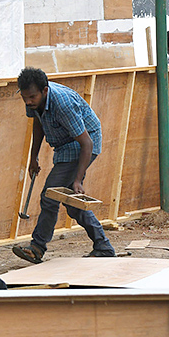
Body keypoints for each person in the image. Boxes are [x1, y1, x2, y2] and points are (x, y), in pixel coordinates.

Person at [12, 68, 116, 263]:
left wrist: (78, 179)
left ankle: (37, 247)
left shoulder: (63, 103)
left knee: (50, 195)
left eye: (32, 97)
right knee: (71, 202)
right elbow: (38, 123)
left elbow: (87, 143)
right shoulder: (32, 98)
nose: (28, 102)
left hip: (83, 143)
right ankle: (103, 246)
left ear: (44, 90)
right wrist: (33, 158)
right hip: (64, 146)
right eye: (24, 97)